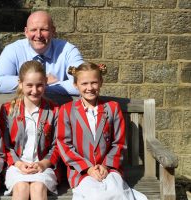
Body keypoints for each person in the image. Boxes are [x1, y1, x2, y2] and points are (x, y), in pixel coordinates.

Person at [56, 63, 148, 200]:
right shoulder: (67, 110)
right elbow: (64, 144)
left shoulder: (112, 108)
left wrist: (106, 165)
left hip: (110, 168)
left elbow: (119, 143)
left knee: (117, 193)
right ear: (76, 85)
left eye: (94, 83)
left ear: (101, 82)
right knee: (95, 195)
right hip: (81, 171)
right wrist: (88, 168)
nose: (90, 88)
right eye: (84, 83)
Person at [0, 60, 60, 200]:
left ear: (45, 82)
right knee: (21, 188)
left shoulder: (54, 110)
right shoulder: (8, 110)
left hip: (44, 166)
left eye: (39, 85)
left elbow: (57, 144)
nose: (34, 90)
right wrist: (19, 163)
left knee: (38, 188)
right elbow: (4, 145)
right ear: (20, 83)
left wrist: (43, 163)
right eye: (29, 85)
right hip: (17, 165)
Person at [0, 10, 84, 95]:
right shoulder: (13, 50)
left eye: (44, 30)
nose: (38, 35)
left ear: (53, 31)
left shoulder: (68, 50)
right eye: (33, 30)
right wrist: (40, 80)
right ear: (26, 32)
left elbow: (83, 83)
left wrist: (38, 87)